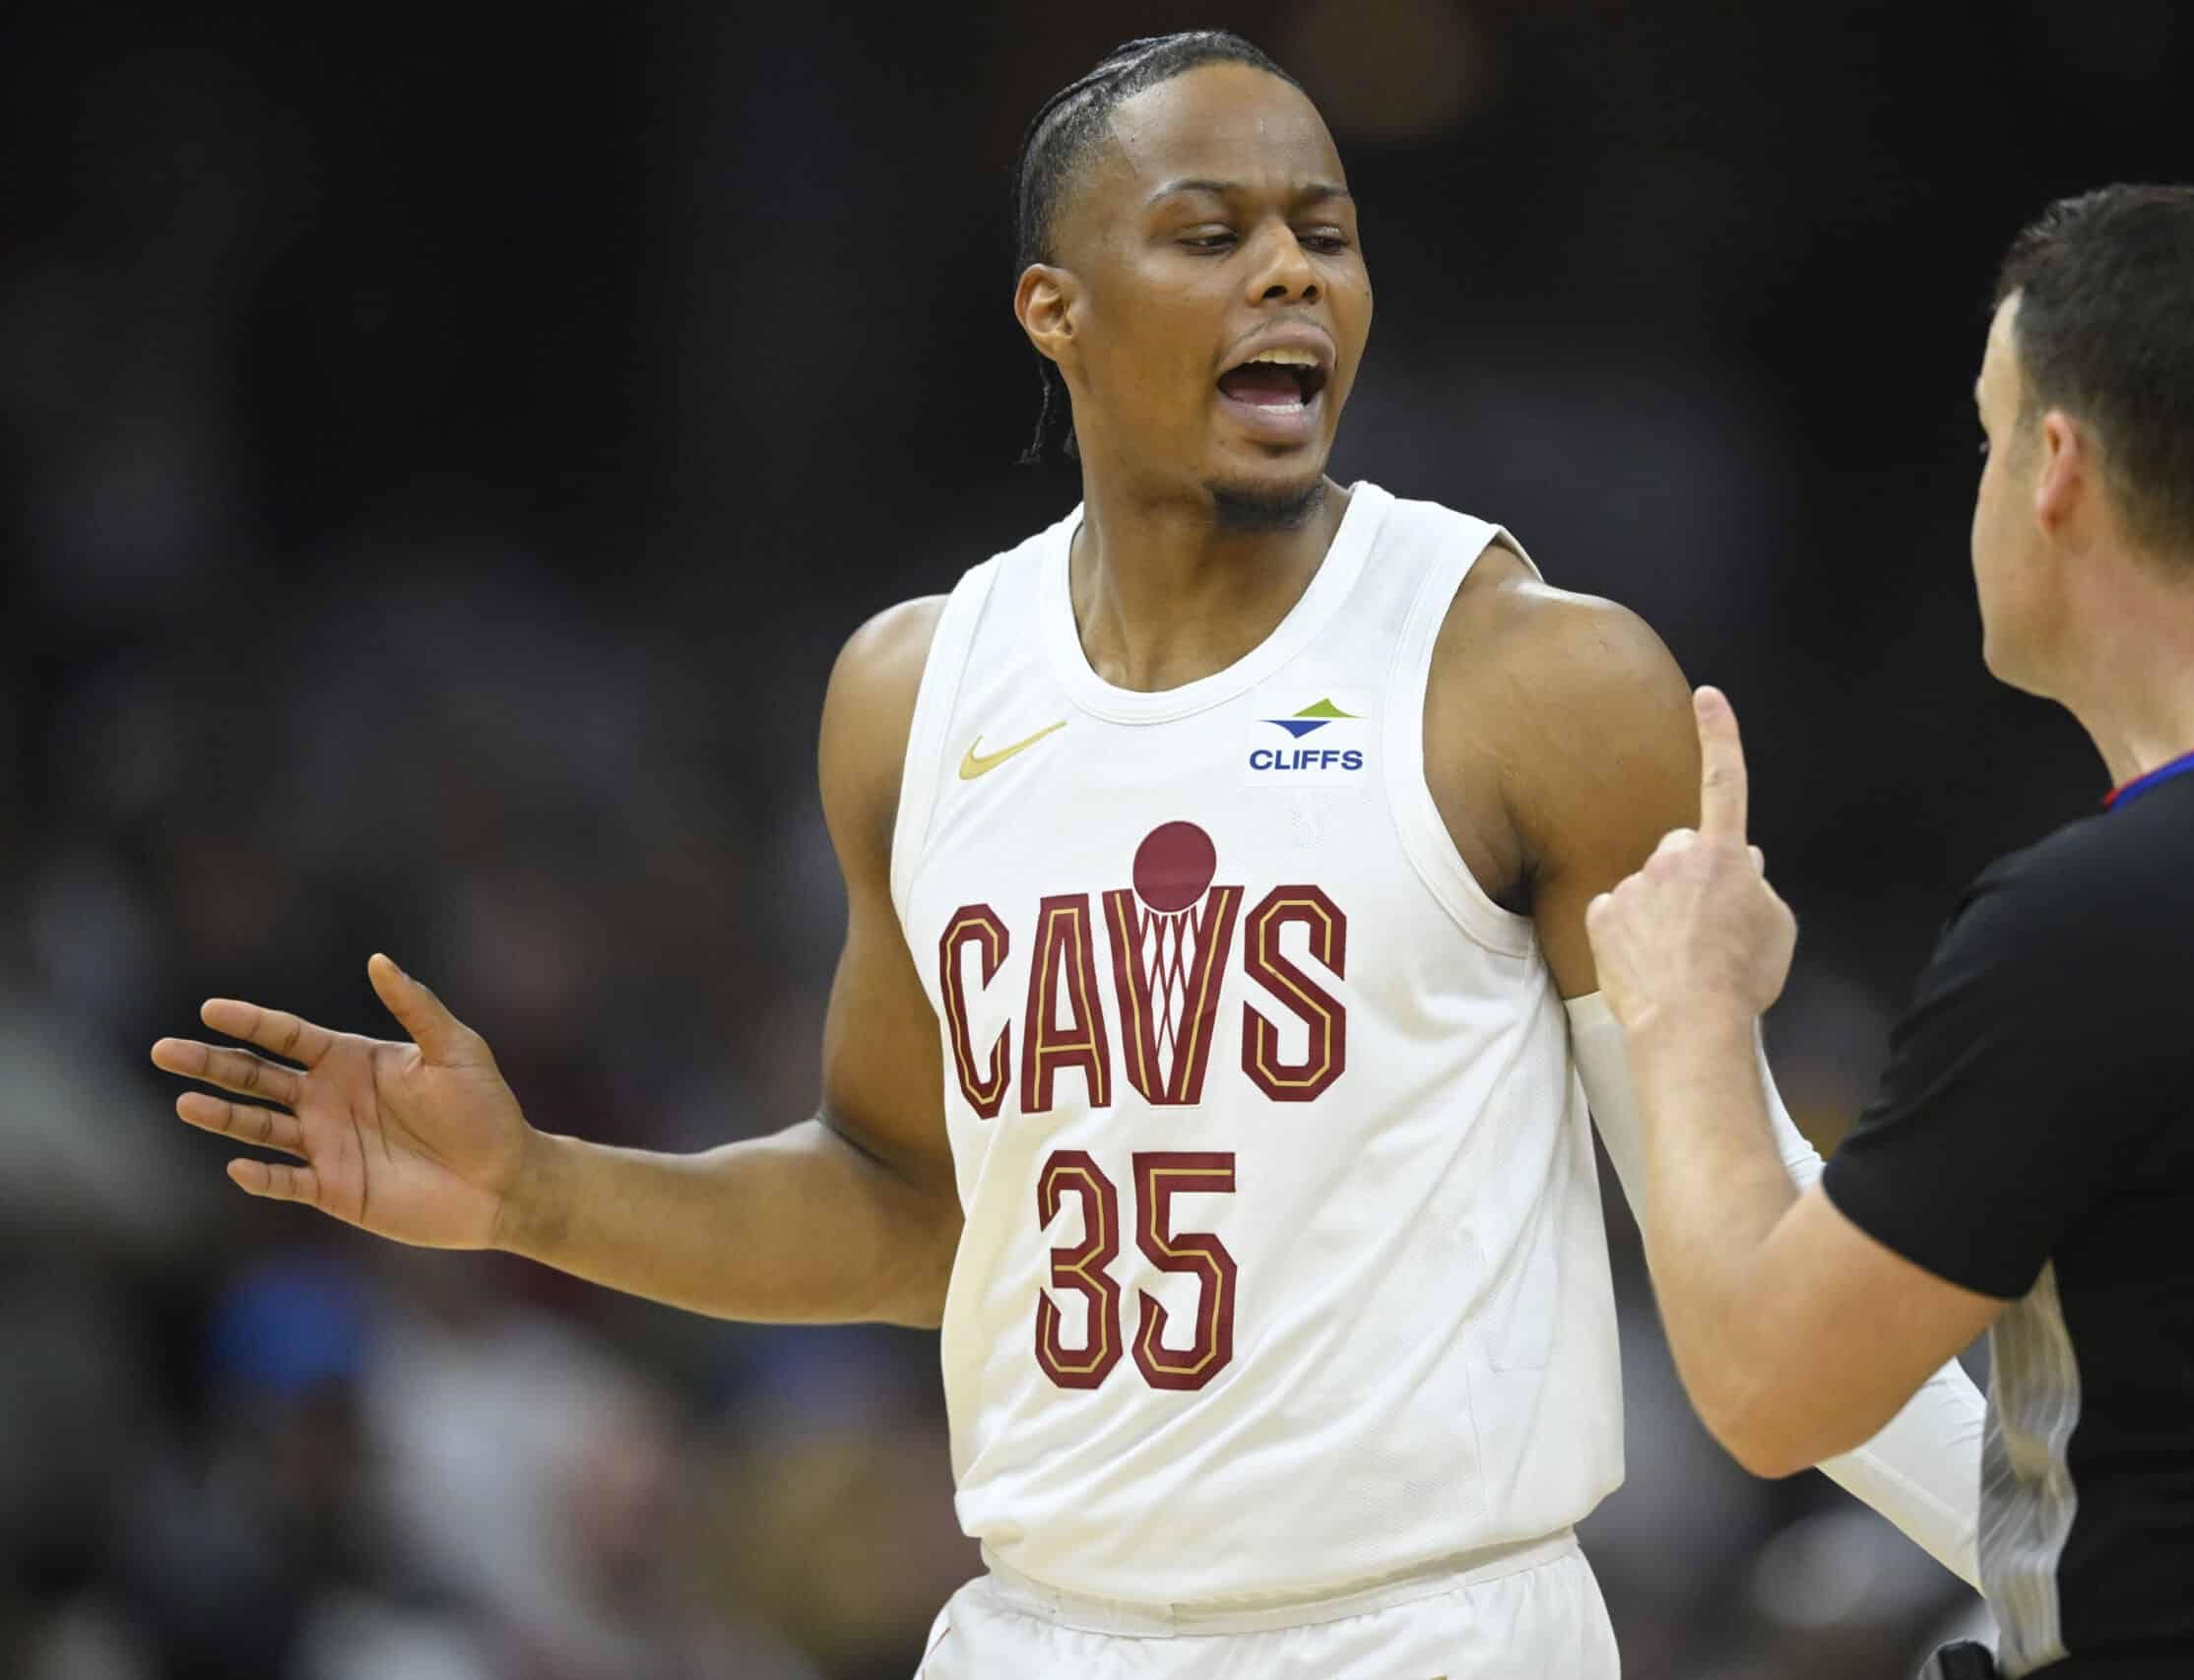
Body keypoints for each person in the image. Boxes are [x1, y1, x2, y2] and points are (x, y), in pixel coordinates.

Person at [150, 32, 1984, 1676]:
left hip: (1435, 1628)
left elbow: (1743, 1228)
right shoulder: (912, 690)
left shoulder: (1532, 675)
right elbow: (905, 1202)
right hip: (1044, 1631)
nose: (1289, 269)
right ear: (1056, 309)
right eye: (1211, 233)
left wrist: (2076, 1560)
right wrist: (535, 1190)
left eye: (1324, 233)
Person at [1584, 184, 2194, 1680]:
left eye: (1986, 434)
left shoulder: (2113, 918)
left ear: (2058, 469)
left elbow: (1766, 1382)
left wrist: (1690, 1009)